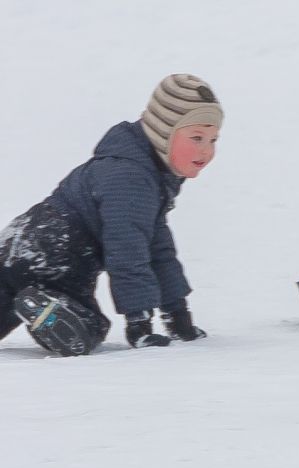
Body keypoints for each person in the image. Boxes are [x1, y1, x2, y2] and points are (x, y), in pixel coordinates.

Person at [0, 74, 224, 356]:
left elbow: (159, 250)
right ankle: (47, 309)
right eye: (196, 138)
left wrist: (177, 316)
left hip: (21, 241)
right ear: (164, 131)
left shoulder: (140, 172)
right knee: (89, 326)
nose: (207, 150)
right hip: (59, 253)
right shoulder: (131, 179)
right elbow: (127, 250)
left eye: (213, 139)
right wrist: (139, 323)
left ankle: (40, 303)